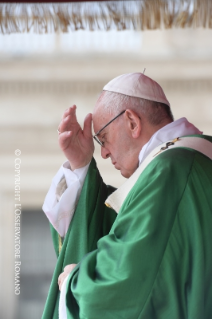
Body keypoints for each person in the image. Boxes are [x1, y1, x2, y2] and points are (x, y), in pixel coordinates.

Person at [42, 73, 212, 319]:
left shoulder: (170, 170)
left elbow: (129, 278)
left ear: (132, 122)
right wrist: (80, 165)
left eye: (103, 138)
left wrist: (77, 283)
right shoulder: (190, 163)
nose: (103, 153)